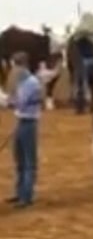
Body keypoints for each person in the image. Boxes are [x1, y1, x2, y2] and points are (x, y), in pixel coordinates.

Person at [2, 52, 43, 208]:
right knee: (20, 160)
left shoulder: (31, 83)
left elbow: (19, 102)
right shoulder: (25, 81)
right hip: (21, 121)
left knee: (28, 162)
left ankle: (26, 197)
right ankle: (20, 193)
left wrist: (5, 100)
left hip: (28, 122)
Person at [72, 12, 93, 114]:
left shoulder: (80, 33)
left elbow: (75, 39)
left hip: (84, 61)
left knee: (81, 85)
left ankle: (80, 108)